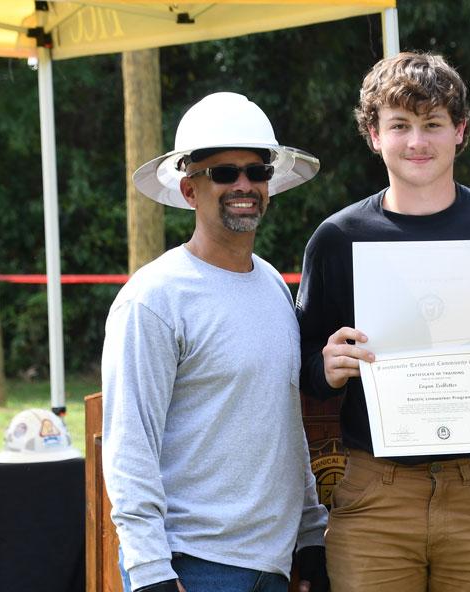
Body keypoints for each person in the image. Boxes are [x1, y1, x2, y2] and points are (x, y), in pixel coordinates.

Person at [295, 52, 470, 591]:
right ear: (374, 134)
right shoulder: (337, 238)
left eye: (433, 124)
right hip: (375, 493)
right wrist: (324, 367)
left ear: (460, 130)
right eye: (400, 125)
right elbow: (301, 358)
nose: (416, 141)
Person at [101, 92, 328, 592]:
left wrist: (311, 532)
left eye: (257, 171)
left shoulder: (273, 285)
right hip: (190, 565)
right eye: (224, 173)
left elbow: (283, 422)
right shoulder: (154, 298)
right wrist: (150, 570)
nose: (243, 185)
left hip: (274, 563)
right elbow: (130, 445)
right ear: (189, 189)